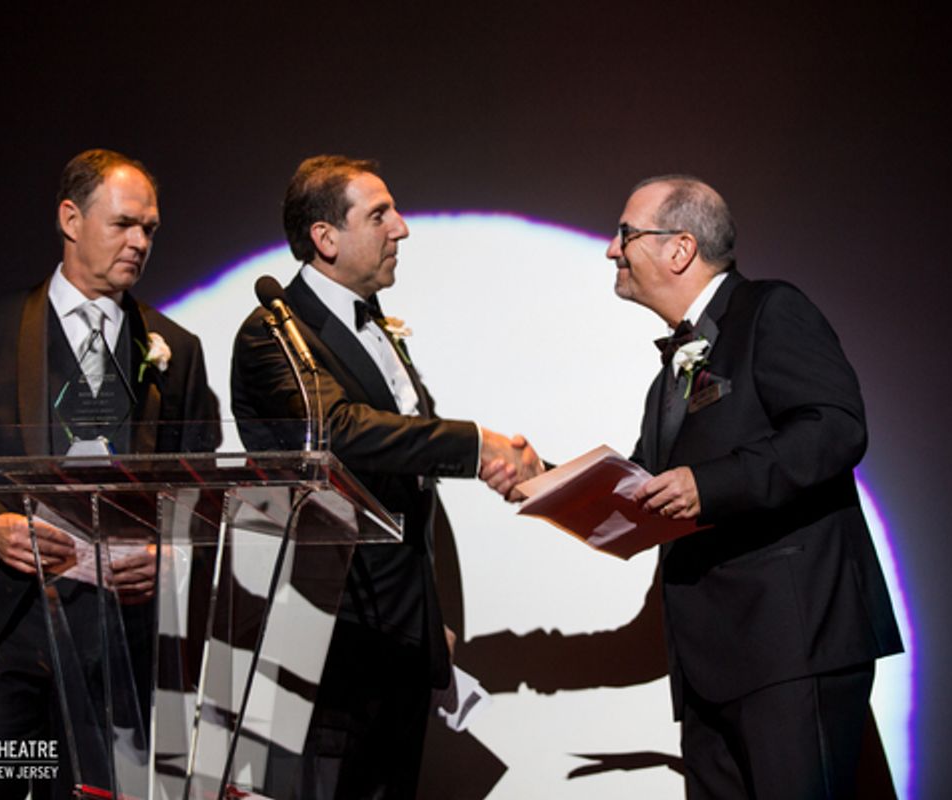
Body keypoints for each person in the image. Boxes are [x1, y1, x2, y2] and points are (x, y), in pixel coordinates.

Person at [488, 175, 902, 798]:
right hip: (711, 665)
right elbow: (637, 484)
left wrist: (707, 486)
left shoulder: (770, 309)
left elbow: (835, 428)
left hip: (792, 643)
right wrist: (541, 477)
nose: (611, 249)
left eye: (625, 233)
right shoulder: (668, 380)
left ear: (680, 248)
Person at [0, 148, 220, 799]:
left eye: (150, 230)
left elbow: (202, 488)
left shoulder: (176, 352)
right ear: (70, 218)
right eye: (125, 224)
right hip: (4, 635)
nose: (140, 243)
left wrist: (169, 551)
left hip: (119, 644)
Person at [230, 154, 539, 799]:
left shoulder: (375, 326)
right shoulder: (273, 334)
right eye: (379, 215)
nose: (401, 229)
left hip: (399, 636)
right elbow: (339, 431)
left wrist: (430, 617)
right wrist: (477, 446)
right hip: (331, 638)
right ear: (325, 238)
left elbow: (404, 476)